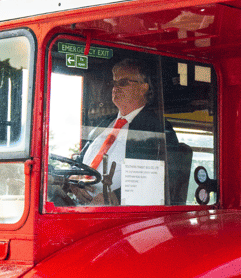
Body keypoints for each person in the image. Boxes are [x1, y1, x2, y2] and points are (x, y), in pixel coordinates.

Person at [73, 58, 177, 205]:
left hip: (123, 213)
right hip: (83, 207)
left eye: (122, 83)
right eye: (114, 83)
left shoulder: (157, 128)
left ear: (143, 88)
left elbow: (167, 178)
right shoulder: (103, 124)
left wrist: (115, 197)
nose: (115, 88)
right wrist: (74, 180)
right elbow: (80, 160)